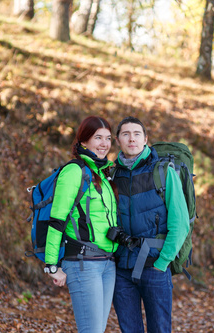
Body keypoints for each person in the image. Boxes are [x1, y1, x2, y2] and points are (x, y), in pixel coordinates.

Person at [111, 116, 189, 333]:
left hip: (155, 265)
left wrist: (163, 261)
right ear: (118, 140)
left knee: (160, 329)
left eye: (137, 134)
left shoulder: (163, 172)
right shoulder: (112, 174)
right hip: (121, 268)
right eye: (125, 134)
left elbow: (180, 222)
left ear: (146, 139)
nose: (131, 139)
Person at [44, 116, 119, 333]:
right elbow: (57, 219)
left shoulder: (103, 174)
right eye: (98, 138)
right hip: (83, 263)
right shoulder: (74, 171)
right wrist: (51, 265)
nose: (104, 144)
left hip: (107, 264)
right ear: (84, 141)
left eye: (107, 138)